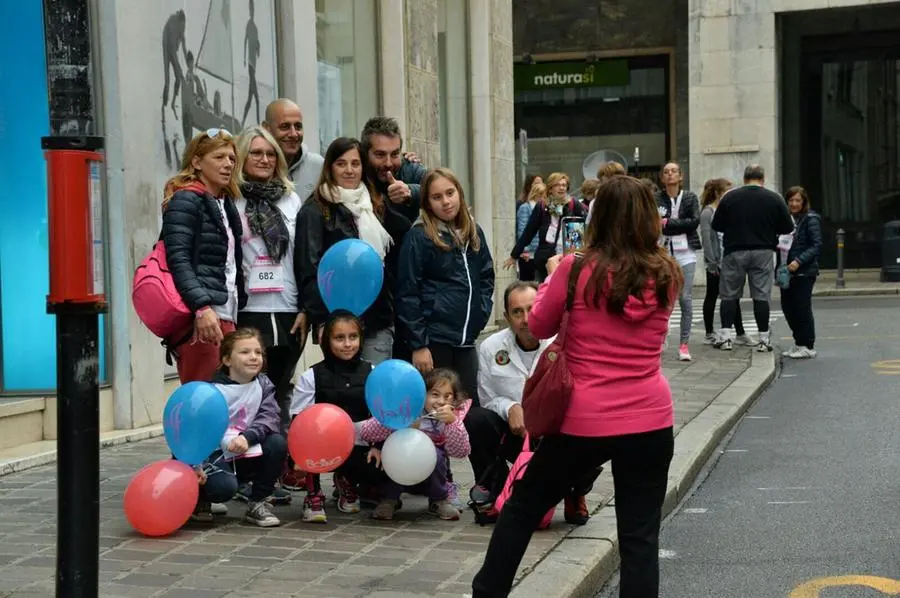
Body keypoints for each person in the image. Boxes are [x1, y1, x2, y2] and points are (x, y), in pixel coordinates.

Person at [471, 175, 683, 598]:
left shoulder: (575, 269)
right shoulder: (668, 274)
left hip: (583, 419)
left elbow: (539, 324)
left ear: (598, 216)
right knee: (640, 538)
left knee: (523, 507)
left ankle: (488, 593)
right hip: (649, 417)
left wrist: (553, 276)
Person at [466, 281, 595, 526]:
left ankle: (574, 492)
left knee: (593, 423)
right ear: (506, 317)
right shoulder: (490, 347)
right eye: (517, 312)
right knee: (476, 419)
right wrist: (511, 407)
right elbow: (487, 398)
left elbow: (580, 392)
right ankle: (497, 489)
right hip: (516, 435)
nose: (526, 319)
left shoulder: (563, 342)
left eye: (532, 309)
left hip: (557, 434)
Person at [295, 137, 410, 364]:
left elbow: (407, 232)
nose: (349, 170)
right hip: (337, 324)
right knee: (343, 390)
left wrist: (410, 194)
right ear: (330, 167)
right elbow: (309, 268)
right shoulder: (315, 210)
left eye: (355, 164)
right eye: (341, 163)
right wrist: (321, 319)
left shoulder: (375, 204)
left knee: (375, 389)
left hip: (378, 318)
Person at [395, 167, 495, 401]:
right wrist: (419, 344)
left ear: (459, 193)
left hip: (466, 341)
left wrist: (479, 317)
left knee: (468, 408)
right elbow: (407, 293)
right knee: (437, 412)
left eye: (450, 193)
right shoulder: (419, 237)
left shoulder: (473, 232)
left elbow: (486, 277)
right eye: (437, 197)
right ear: (427, 203)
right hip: (435, 342)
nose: (446, 202)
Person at [162, 129, 246, 383]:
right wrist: (201, 308)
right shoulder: (185, 199)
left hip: (226, 311)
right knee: (204, 397)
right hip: (202, 317)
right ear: (197, 162)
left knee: (225, 396)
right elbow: (178, 259)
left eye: (232, 158)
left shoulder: (224, 202)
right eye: (219, 157)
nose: (228, 164)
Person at [234, 126, 304, 422]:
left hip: (289, 308)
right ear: (241, 157)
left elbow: (301, 255)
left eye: (270, 154)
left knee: (280, 387)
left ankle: (280, 458)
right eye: (256, 153)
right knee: (249, 390)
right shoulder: (232, 200)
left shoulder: (291, 199)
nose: (264, 160)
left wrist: (306, 306)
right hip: (250, 310)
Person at [289, 311, 386, 523]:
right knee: (310, 436)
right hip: (320, 442)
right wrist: (298, 456)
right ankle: (314, 495)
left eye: (353, 337)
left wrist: (378, 445)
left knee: (379, 468)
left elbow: (381, 415)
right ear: (327, 341)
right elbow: (299, 420)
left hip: (359, 442)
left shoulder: (372, 371)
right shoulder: (311, 376)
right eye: (339, 338)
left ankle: (346, 480)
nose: (347, 344)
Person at [193, 328, 286, 527]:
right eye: (244, 352)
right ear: (227, 360)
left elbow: (269, 417)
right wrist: (196, 463)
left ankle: (257, 502)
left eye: (258, 352)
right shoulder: (210, 391)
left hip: (244, 447)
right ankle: (200, 498)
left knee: (277, 443)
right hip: (215, 453)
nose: (253, 357)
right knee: (223, 489)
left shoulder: (264, 385)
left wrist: (248, 437)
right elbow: (195, 431)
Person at [361, 368, 472, 521]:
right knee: (393, 454)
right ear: (421, 394)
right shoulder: (407, 409)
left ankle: (439, 499)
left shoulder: (451, 418)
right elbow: (367, 432)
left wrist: (453, 423)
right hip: (399, 463)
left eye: (447, 396)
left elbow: (461, 451)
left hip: (431, 472)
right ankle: (390, 499)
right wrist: (398, 421)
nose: (441, 401)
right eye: (435, 395)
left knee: (438, 455)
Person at [712, 164, 794, 352]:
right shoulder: (774, 198)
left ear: (745, 178)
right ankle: (763, 339)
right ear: (763, 179)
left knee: (729, 294)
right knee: (761, 295)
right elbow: (787, 227)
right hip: (763, 251)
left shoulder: (730, 197)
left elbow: (718, 225)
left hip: (735, 250)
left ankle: (725, 336)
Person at [656, 162, 701, 361]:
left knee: (685, 298)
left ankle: (684, 344)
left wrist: (668, 223)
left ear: (681, 176)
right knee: (663, 299)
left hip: (686, 252)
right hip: (663, 251)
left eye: (674, 171)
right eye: (666, 172)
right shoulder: (656, 198)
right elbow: (654, 224)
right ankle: (660, 337)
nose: (670, 174)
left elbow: (694, 222)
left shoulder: (690, 197)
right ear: (662, 177)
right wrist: (670, 226)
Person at [506, 172, 586, 282]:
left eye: (564, 185)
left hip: (569, 257)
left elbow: (586, 229)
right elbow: (529, 232)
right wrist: (514, 255)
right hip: (546, 258)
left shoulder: (574, 204)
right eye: (558, 185)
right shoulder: (542, 206)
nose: (562, 188)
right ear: (550, 188)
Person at [698, 178, 749, 347]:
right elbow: (707, 239)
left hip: (728, 260)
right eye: (727, 191)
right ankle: (709, 332)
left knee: (732, 297)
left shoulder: (726, 209)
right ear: (718, 193)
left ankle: (740, 332)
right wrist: (712, 262)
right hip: (715, 262)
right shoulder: (707, 213)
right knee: (713, 295)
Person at [779, 186, 822, 359]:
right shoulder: (785, 219)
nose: (794, 204)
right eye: (791, 200)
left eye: (798, 200)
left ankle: (808, 344)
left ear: (803, 202)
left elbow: (817, 245)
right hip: (785, 271)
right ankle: (798, 343)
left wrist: (799, 260)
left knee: (802, 308)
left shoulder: (810, 219)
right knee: (788, 308)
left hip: (804, 271)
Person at [360, 116, 427, 224]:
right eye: (380, 154)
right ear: (364, 153)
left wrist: (411, 192)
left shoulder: (410, 169)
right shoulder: (355, 172)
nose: (388, 163)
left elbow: (445, 189)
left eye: (394, 154)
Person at [263, 99, 325, 201]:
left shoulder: (318, 166)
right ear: (266, 128)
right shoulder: (257, 167)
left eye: (298, 127)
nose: (293, 134)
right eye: (285, 127)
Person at [516, 182, 545, 281]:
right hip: (528, 253)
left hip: (538, 251)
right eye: (541, 195)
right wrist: (525, 250)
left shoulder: (542, 208)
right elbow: (522, 229)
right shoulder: (525, 208)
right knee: (528, 282)